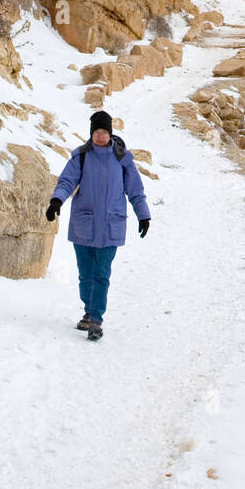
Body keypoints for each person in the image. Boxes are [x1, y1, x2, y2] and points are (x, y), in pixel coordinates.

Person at [45, 110, 151, 341]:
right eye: (97, 132)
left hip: (111, 225)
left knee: (101, 273)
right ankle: (88, 311)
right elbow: (67, 181)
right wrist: (56, 200)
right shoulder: (82, 156)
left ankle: (96, 319)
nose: (100, 136)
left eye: (104, 132)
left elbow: (135, 190)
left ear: (110, 133)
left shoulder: (123, 158)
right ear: (91, 133)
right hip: (84, 224)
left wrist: (143, 215)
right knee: (85, 275)